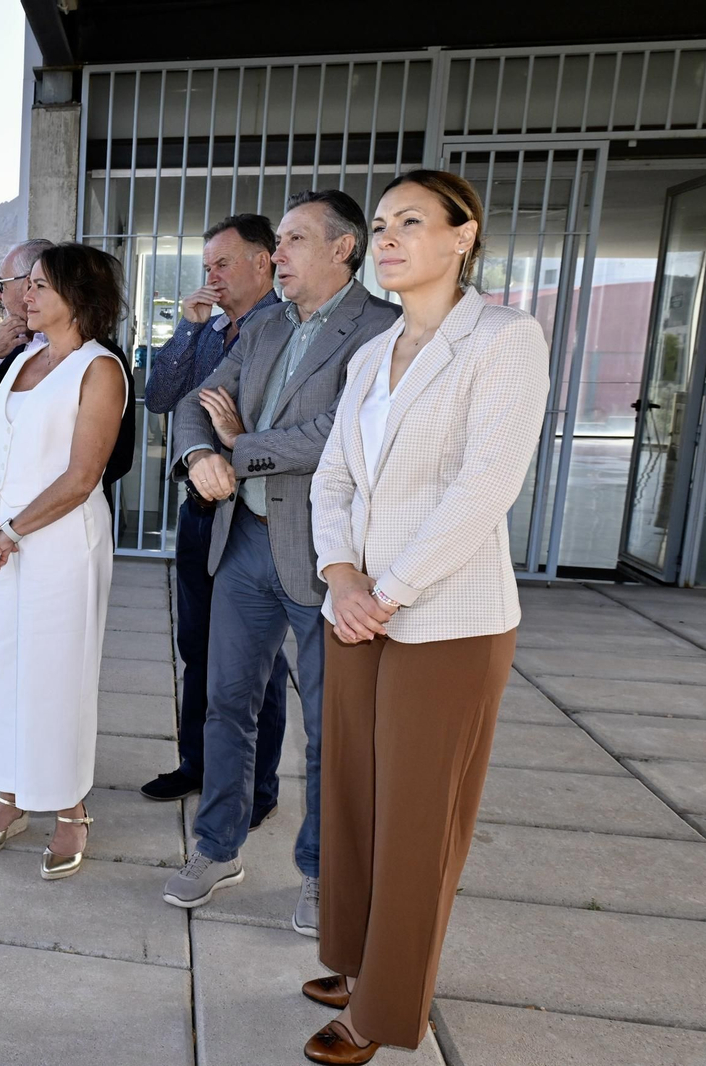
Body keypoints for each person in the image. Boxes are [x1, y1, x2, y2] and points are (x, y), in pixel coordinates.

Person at [300, 171, 548, 1064]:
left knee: (417, 818)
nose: (390, 236)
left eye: (411, 220)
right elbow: (333, 476)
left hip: (447, 618)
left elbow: (484, 486)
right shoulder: (373, 352)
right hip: (358, 604)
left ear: (463, 235)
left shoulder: (504, 339)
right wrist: (339, 572)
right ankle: (363, 959)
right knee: (356, 798)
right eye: (380, 223)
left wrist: (386, 590)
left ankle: (384, 1008)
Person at [159, 191, 399, 936]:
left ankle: (323, 874)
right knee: (226, 705)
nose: (280, 254)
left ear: (344, 248)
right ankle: (217, 848)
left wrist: (242, 447)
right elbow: (199, 401)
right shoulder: (265, 325)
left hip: (334, 559)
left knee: (331, 727)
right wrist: (201, 450)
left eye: (295, 239)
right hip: (245, 545)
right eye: (281, 239)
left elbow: (342, 435)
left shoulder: (382, 332)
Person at [0, 239, 139, 784]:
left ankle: (67, 802)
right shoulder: (22, 357)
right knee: (3, 663)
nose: (22, 296)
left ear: (75, 295)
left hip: (60, 539)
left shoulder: (103, 366)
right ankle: (8, 789)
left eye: (36, 285)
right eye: (21, 286)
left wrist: (13, 527)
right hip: (4, 540)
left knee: (57, 675)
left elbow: (90, 471)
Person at [141, 213, 291, 832]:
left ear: (263, 262)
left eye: (222, 264)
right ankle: (199, 765)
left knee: (257, 661)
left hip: (257, 516)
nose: (212, 277)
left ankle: (257, 784)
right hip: (202, 509)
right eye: (207, 267)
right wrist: (187, 329)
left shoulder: (286, 330)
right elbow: (160, 397)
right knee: (198, 646)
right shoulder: (208, 330)